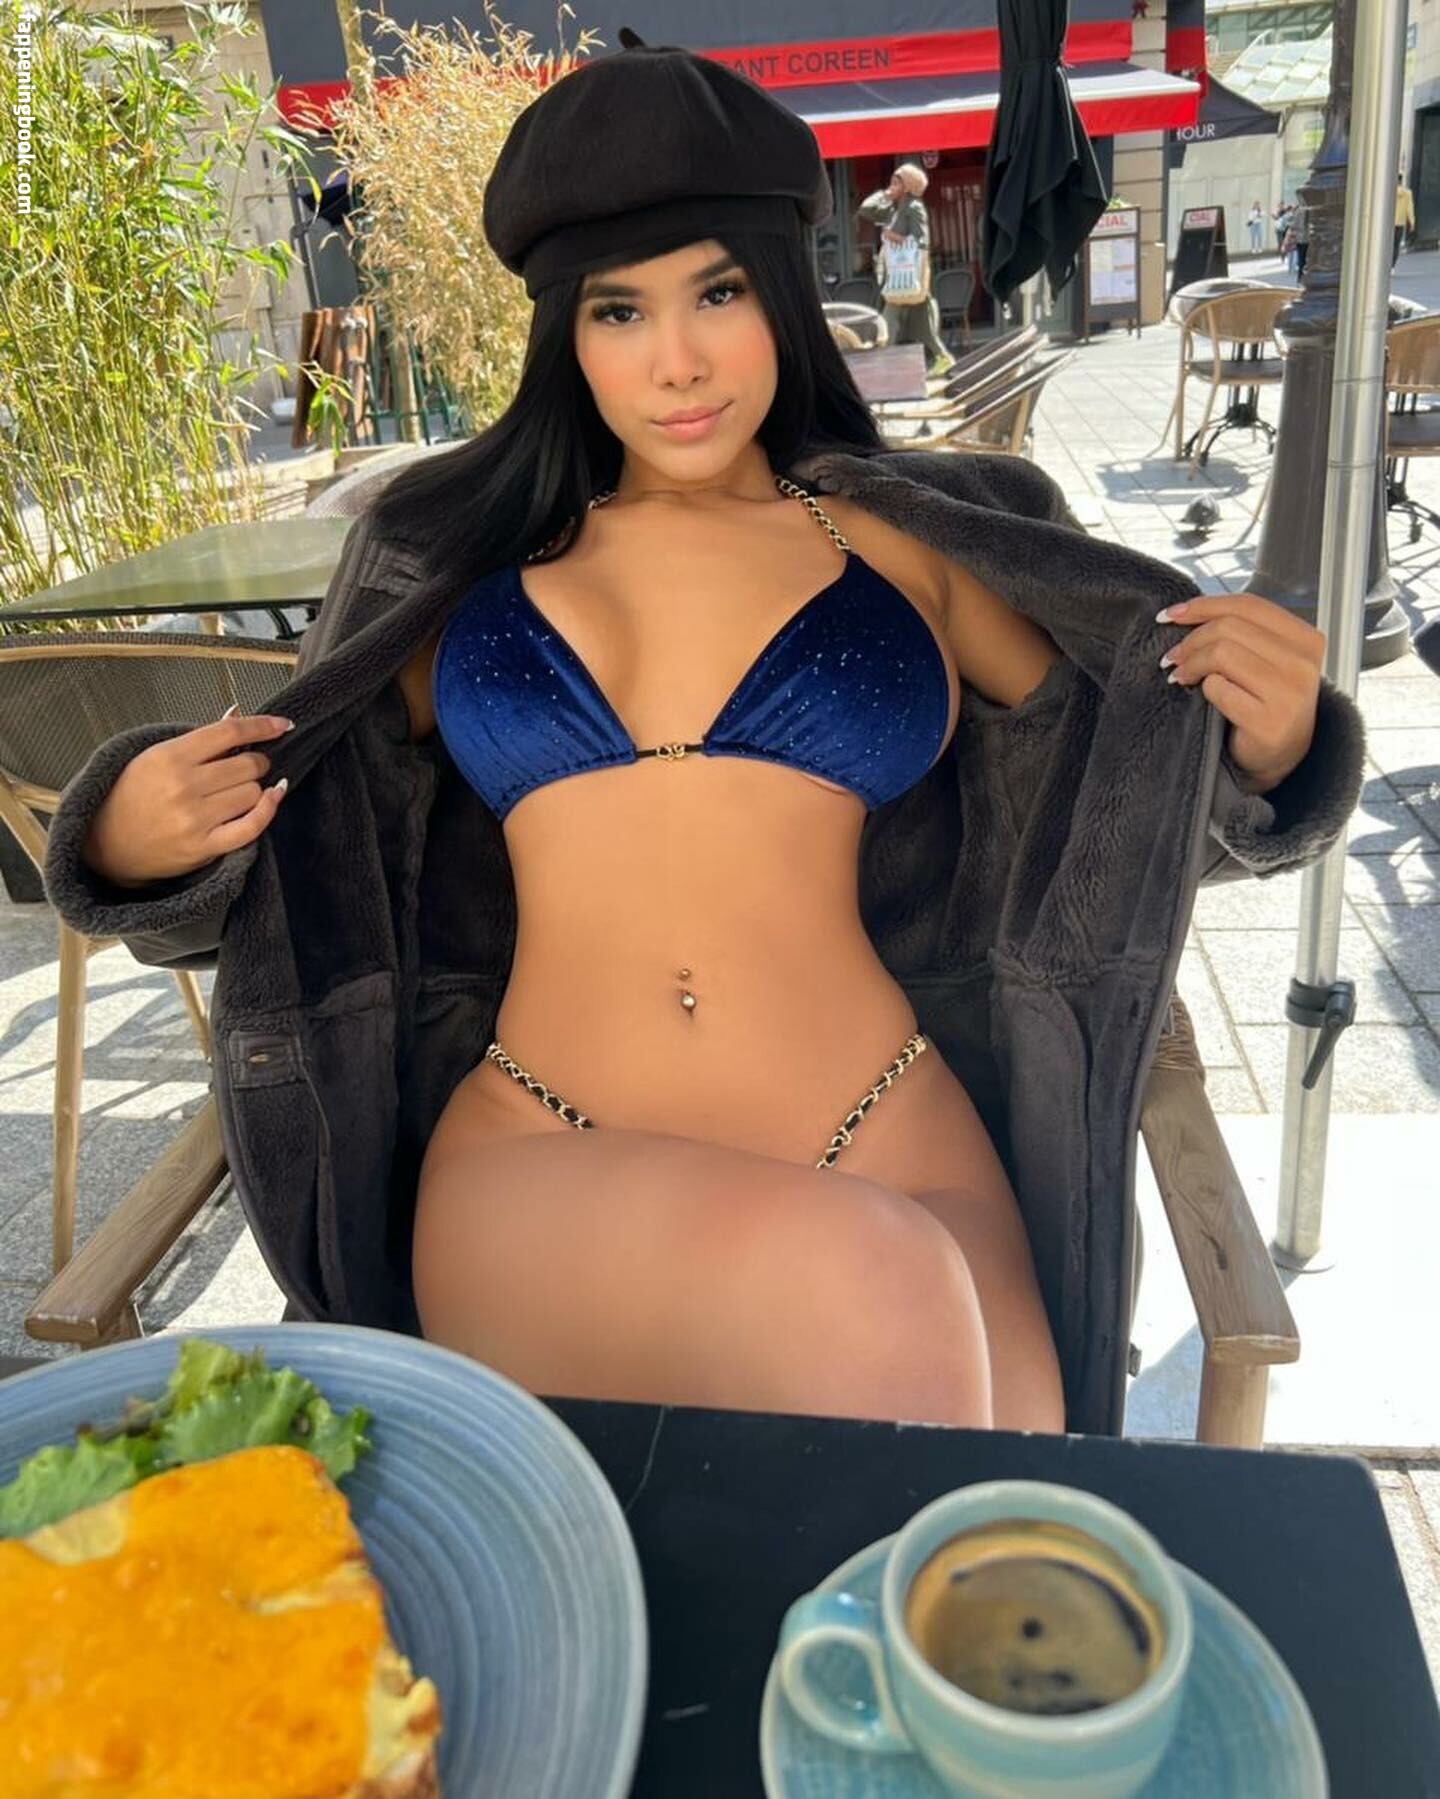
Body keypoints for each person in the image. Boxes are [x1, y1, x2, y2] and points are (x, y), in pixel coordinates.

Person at [47, 38, 1360, 1440]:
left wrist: (1268, 751)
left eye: (718, 293)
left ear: (782, 296)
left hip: (885, 1118)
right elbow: (306, 834)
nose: (675, 360)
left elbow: (1108, 789)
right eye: (619, 310)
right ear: (566, 335)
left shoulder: (913, 542)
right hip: (549, 1142)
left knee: (1028, 1489)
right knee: (887, 1305)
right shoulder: (454, 559)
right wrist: (123, 835)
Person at [856, 163, 955, 374]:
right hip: (899, 279)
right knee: (925, 329)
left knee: (889, 323)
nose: (891, 186)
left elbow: (922, 241)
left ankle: (882, 368)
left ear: (908, 186)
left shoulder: (914, 207)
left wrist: (895, 237)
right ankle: (943, 358)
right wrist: (884, 195)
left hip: (909, 276)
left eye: (896, 182)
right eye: (891, 182)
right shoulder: (892, 209)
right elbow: (865, 209)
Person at [1395, 167, 1415, 267]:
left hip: (1388, 223)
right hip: (1400, 222)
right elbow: (1409, 208)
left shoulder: (1387, 192)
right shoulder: (1407, 193)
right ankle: (1392, 265)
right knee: (1396, 245)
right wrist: (1412, 222)